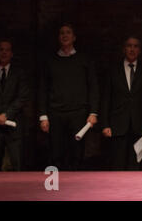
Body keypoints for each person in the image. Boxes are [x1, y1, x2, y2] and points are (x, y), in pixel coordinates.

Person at [38, 23, 99, 170]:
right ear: (58, 38)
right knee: (55, 153)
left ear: (74, 37)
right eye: (62, 33)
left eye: (68, 33)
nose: (65, 35)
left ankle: (75, 188)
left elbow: (93, 87)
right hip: (55, 113)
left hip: (78, 113)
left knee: (77, 153)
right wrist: (43, 116)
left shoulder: (84, 60)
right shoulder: (50, 61)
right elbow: (42, 89)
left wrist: (93, 112)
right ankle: (56, 188)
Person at [101, 36, 142, 170]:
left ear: (140, 50)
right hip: (117, 124)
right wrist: (105, 124)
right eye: (129, 46)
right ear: (124, 49)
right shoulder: (113, 70)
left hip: (140, 125)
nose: (132, 49)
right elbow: (106, 98)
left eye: (135, 46)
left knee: (136, 165)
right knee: (117, 163)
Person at [0, 38, 29, 171]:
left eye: (7, 50)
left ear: (12, 53)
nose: (4, 53)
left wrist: (7, 115)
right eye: (1, 49)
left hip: (13, 127)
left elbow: (22, 97)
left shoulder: (20, 73)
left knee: (17, 167)